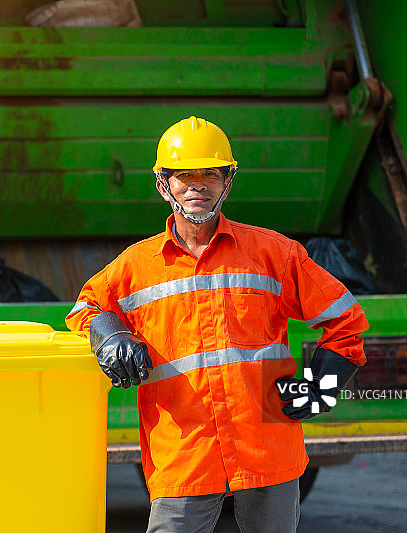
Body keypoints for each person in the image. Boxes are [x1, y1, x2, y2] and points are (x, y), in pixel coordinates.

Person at [66, 116, 368, 533]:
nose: (197, 185)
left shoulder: (274, 254)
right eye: (184, 175)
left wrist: (322, 388)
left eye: (210, 174)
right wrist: (111, 335)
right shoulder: (138, 266)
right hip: (184, 455)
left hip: (266, 448)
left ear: (229, 180)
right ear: (162, 184)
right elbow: (85, 308)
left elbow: (345, 321)